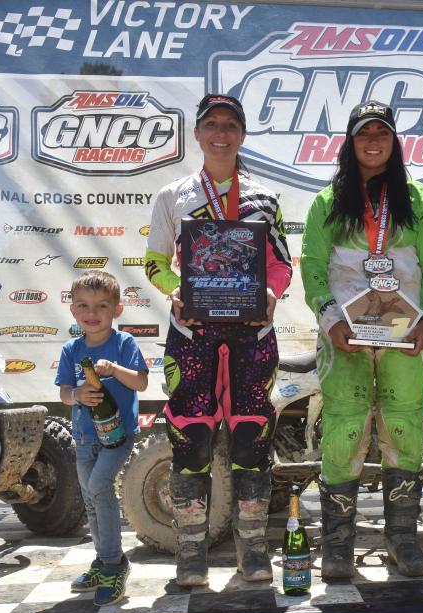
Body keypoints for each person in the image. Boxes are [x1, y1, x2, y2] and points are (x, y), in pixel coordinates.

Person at [144, 94, 292, 587]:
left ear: (242, 135)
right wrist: (175, 291)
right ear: (198, 134)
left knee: (253, 439)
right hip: (193, 335)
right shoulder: (172, 196)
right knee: (192, 439)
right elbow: (155, 263)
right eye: (211, 125)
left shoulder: (264, 199)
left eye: (230, 125)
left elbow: (281, 263)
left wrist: (271, 292)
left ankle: (253, 551)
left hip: (253, 335)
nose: (221, 133)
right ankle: (191, 554)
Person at [302, 101, 423, 579]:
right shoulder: (328, 201)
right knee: (344, 431)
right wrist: (330, 321)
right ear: (350, 141)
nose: (373, 140)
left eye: (382, 132)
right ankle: (339, 546)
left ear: (394, 140)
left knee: (403, 429)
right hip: (346, 336)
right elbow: (313, 269)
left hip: (405, 335)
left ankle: (402, 541)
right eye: (364, 132)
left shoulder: (419, 198)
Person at [56, 270, 149, 606]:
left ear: (117, 311)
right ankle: (101, 558)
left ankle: (114, 564)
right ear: (73, 311)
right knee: (91, 500)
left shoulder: (124, 344)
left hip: (117, 436)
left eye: (101, 306)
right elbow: (64, 393)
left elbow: (140, 384)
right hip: (84, 438)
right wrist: (77, 395)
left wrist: (114, 370)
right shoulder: (71, 349)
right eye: (83, 305)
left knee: (98, 487)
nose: (91, 313)